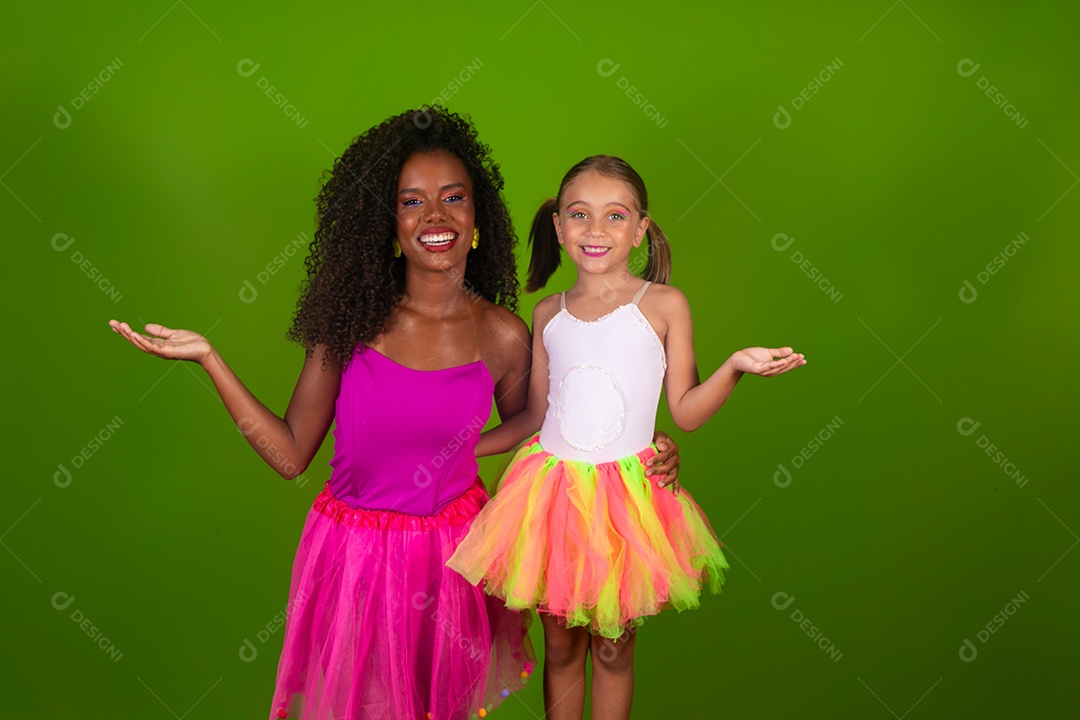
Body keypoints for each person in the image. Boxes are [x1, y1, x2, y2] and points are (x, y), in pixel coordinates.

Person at [109, 109, 681, 720]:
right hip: (354, 558)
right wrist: (210, 359)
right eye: (411, 201)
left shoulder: (505, 335)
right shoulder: (351, 325)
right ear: (388, 223)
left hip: (456, 559)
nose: (436, 216)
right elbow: (290, 453)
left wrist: (649, 452)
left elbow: (551, 427)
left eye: (453, 198)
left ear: (477, 216)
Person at [448, 155, 807, 719]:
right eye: (580, 215)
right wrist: (453, 450)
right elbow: (535, 418)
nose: (596, 230)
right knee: (562, 647)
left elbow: (684, 412)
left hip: (625, 503)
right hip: (552, 499)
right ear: (560, 226)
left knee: (614, 650)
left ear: (641, 228)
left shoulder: (664, 305)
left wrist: (735, 365)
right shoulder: (547, 314)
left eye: (615, 216)